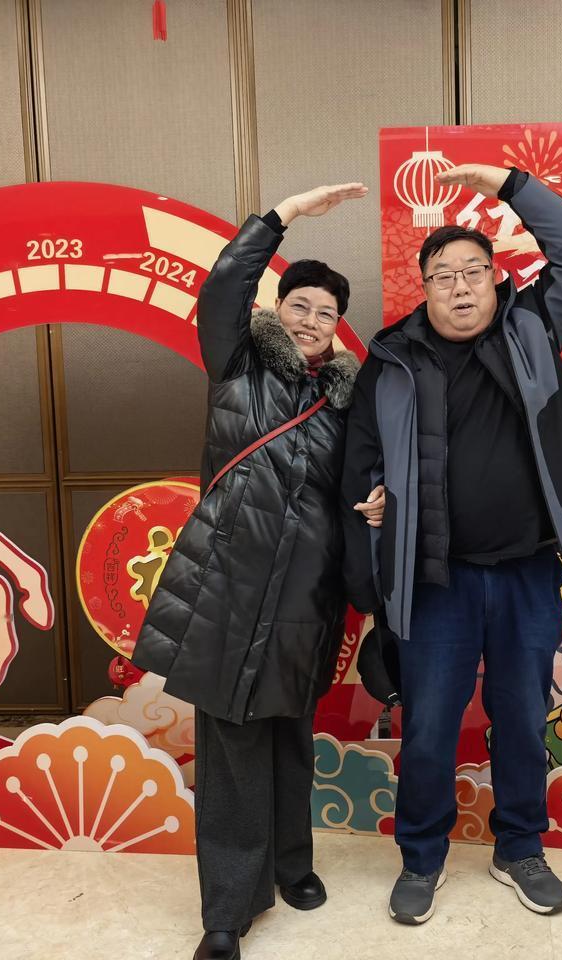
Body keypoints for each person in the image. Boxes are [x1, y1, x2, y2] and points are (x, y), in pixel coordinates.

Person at [341, 163, 562, 924]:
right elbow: (360, 457)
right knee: (430, 724)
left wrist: (509, 185)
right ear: (423, 289)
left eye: (474, 272)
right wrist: (371, 498)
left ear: (497, 280)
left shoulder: (530, 329)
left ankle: (520, 848)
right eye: (443, 276)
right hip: (434, 579)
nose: (460, 288)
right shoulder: (391, 361)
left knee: (523, 716)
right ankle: (422, 856)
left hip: (528, 570)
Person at [133, 182, 383, 960]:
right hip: (228, 590)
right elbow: (222, 288)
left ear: (338, 329)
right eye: (299, 305)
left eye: (325, 313)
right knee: (233, 744)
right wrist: (285, 215)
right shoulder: (238, 364)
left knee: (289, 735)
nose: (310, 321)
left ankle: (290, 865)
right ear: (278, 309)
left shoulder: (346, 403)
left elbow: (356, 486)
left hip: (307, 597)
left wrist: (375, 503)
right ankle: (227, 910)